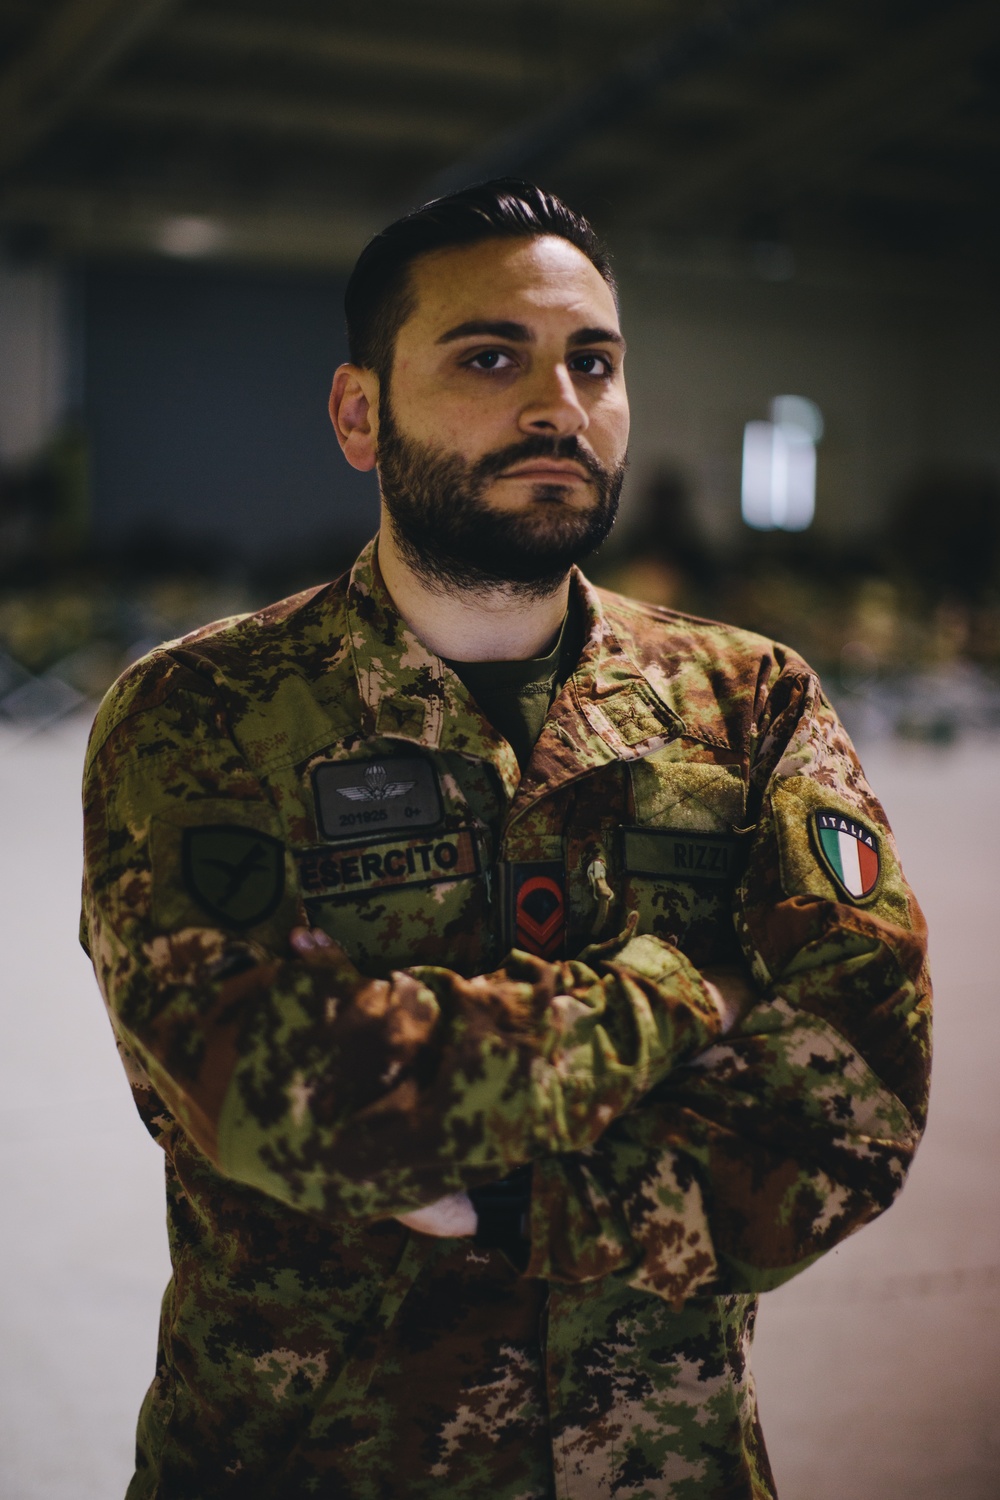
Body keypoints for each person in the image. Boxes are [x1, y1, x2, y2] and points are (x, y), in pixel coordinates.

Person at [81, 180, 931, 1500]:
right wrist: (677, 990)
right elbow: (279, 1092)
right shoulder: (206, 715)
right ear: (361, 414)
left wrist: (520, 1204)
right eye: (492, 357)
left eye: (594, 362)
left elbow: (858, 1085)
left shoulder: (748, 702)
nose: (560, 406)